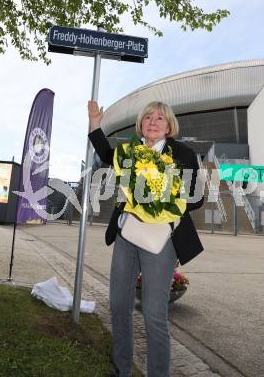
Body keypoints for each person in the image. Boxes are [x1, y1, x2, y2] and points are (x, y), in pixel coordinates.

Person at [88, 100, 204, 377]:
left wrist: (162, 198)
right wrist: (95, 124)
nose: (153, 121)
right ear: (141, 123)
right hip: (128, 233)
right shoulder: (130, 150)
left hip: (160, 239)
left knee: (153, 314)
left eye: (160, 118)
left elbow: (197, 198)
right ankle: (122, 369)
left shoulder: (183, 154)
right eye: (148, 117)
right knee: (118, 304)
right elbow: (106, 154)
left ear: (169, 126)